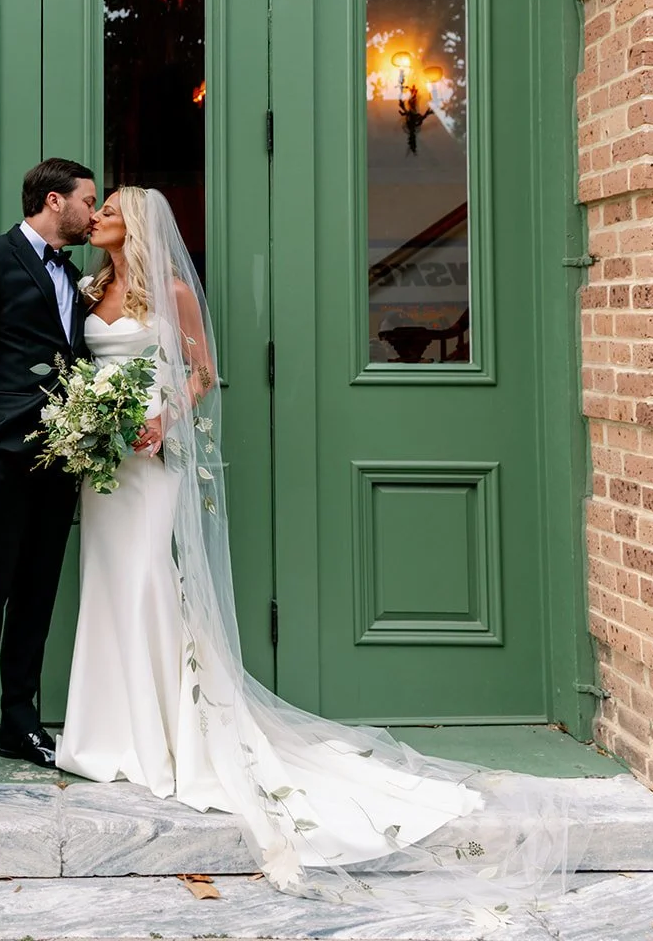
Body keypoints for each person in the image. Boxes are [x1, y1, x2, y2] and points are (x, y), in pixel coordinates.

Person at [56, 185, 586, 923]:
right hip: (104, 471)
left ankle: (163, 735)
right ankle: (107, 730)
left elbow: (203, 372)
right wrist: (88, 420)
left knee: (149, 581)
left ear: (137, 223)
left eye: (111, 206)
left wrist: (160, 420)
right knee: (107, 584)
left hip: (150, 462)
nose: (99, 215)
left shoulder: (170, 291)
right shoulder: (90, 288)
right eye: (97, 205)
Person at [0, 158, 98, 799]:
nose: (96, 211)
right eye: (89, 200)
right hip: (1, 455)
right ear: (54, 201)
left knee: (36, 595)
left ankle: (21, 724)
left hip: (62, 458)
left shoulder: (81, 278)